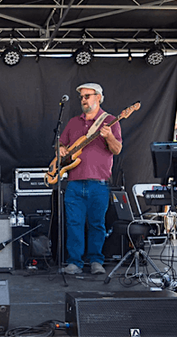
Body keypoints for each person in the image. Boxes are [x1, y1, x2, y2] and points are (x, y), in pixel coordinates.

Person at [57, 82, 123, 275]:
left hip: (99, 183)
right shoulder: (73, 122)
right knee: (74, 223)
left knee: (97, 224)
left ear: (99, 97)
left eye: (88, 96)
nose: (84, 100)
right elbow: (61, 145)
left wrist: (109, 136)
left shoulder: (110, 121)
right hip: (74, 182)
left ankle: (96, 261)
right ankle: (74, 262)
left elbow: (117, 149)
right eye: (82, 97)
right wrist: (60, 149)